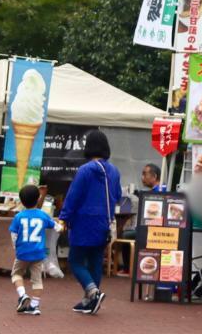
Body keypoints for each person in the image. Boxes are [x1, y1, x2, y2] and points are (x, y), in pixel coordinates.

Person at [59, 129, 121, 313]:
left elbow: (73, 196)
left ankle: (93, 292)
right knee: (95, 260)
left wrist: (64, 217)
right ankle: (89, 301)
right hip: (105, 221)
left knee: (75, 260)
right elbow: (117, 196)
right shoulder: (114, 170)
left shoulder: (85, 170)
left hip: (84, 221)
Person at [9, 183, 56, 314]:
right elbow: (56, 226)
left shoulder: (19, 216)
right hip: (38, 253)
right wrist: (61, 226)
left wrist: (16, 248)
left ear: (22, 201)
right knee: (37, 280)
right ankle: (34, 305)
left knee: (16, 274)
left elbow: (13, 234)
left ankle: (23, 295)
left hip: (22, 252)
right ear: (38, 199)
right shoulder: (43, 215)